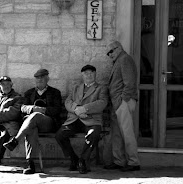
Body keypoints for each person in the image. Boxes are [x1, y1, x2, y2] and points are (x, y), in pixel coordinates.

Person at [3, 69, 62, 174]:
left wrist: (42, 110)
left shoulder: (55, 92)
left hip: (48, 123)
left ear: (47, 78)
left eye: (42, 78)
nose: (40, 80)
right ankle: (30, 164)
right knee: (31, 129)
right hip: (31, 124)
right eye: (38, 78)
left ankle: (15, 140)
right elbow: (22, 107)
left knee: (35, 116)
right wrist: (32, 108)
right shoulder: (29, 93)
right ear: (35, 80)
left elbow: (57, 110)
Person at [55, 64, 108, 174]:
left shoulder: (101, 88)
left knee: (93, 134)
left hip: (92, 120)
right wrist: (76, 109)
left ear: (95, 74)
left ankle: (83, 161)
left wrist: (85, 109)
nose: (89, 75)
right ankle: (73, 159)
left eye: (91, 73)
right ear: (82, 75)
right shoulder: (76, 88)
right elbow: (68, 102)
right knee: (60, 135)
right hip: (75, 119)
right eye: (86, 74)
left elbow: (102, 103)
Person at [104, 40, 140, 172]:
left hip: (123, 101)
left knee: (127, 132)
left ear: (119, 48)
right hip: (117, 102)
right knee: (117, 133)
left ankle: (133, 162)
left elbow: (129, 82)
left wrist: (123, 99)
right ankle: (119, 161)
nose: (109, 55)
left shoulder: (125, 59)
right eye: (108, 53)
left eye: (111, 51)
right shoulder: (119, 60)